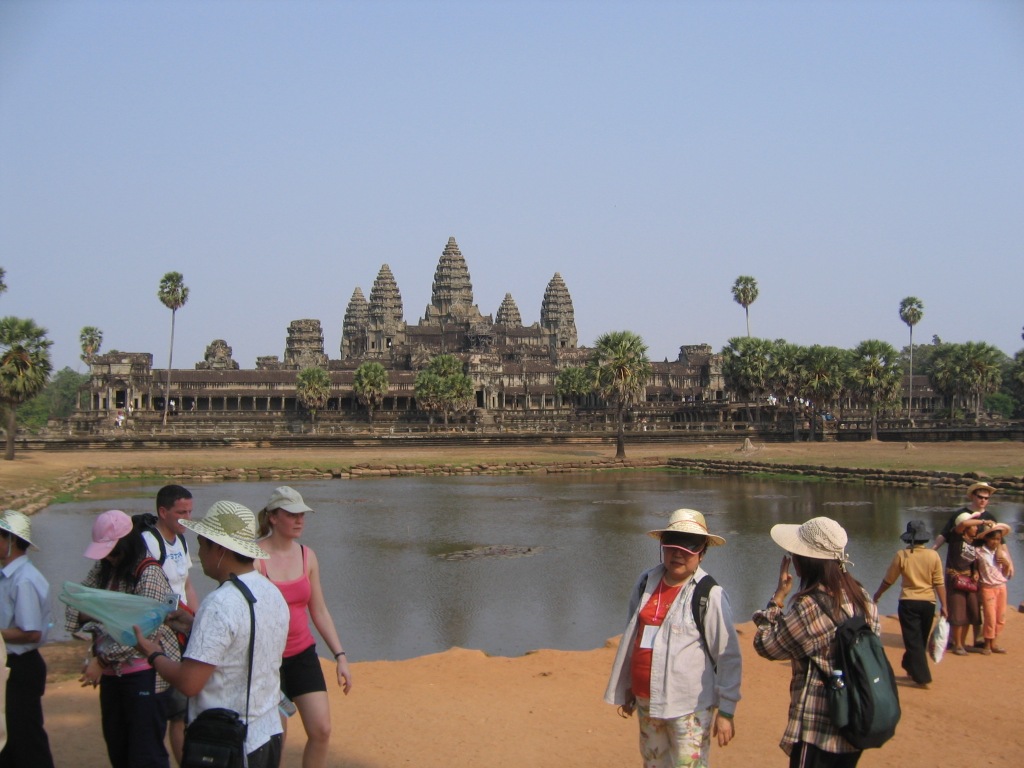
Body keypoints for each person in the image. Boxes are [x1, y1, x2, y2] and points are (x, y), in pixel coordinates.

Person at [135, 501, 289, 768]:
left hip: (226, 741)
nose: (199, 551)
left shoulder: (219, 602)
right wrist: (195, 626)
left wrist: (153, 654)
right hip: (267, 731)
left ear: (219, 548)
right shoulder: (270, 591)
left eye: (203, 543)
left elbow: (189, 683)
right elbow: (244, 642)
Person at [604, 508, 741, 768]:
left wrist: (726, 710)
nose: (678, 552)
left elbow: (727, 656)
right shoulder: (646, 582)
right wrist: (628, 687)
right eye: (672, 543)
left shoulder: (708, 594)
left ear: (702, 552)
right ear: (662, 546)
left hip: (689, 706)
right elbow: (634, 635)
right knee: (653, 763)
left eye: (688, 545)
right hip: (647, 700)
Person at [753, 516, 879, 768]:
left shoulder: (812, 604)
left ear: (805, 561)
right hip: (855, 715)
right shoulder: (861, 595)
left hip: (820, 724)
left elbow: (766, 645)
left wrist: (777, 600)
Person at [65, 510, 179, 768]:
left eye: (113, 552)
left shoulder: (148, 573)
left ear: (126, 544)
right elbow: (75, 601)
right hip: (113, 676)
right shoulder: (104, 567)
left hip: (144, 674)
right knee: (119, 750)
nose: (109, 558)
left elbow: (142, 631)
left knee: (145, 754)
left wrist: (102, 659)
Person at [257, 487, 352, 768]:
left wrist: (340, 656)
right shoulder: (254, 557)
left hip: (302, 653)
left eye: (302, 515)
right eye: (291, 515)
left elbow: (319, 609)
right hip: (268, 659)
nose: (299, 521)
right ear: (273, 518)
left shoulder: (306, 556)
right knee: (276, 737)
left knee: (321, 729)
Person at [142, 484, 198, 765]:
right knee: (164, 710)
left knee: (181, 711)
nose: (187, 517)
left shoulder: (182, 539)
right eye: (181, 512)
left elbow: (186, 584)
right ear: (162, 512)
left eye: (190, 511)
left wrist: (199, 622)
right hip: (160, 634)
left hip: (182, 629)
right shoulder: (149, 543)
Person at [0, 509, 56, 768]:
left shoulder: (23, 579)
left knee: (26, 738)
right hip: (9, 664)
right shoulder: (9, 576)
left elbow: (31, 631)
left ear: (9, 540)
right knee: (8, 739)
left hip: (21, 666)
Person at [872, 520, 947, 686]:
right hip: (928, 603)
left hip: (908, 602)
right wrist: (945, 606)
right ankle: (910, 666)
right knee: (918, 640)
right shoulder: (933, 555)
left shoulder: (902, 555)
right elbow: (939, 583)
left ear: (908, 538)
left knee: (913, 641)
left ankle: (922, 676)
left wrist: (877, 595)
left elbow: (889, 580)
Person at [975, 522, 1011, 655]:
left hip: (1001, 586)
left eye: (998, 539)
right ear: (986, 539)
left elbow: (1006, 572)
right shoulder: (979, 552)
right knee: (990, 616)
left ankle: (994, 642)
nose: (995, 542)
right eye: (993, 539)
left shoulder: (1001, 553)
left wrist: (1006, 563)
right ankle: (987, 644)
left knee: (1000, 616)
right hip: (987, 587)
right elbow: (974, 567)